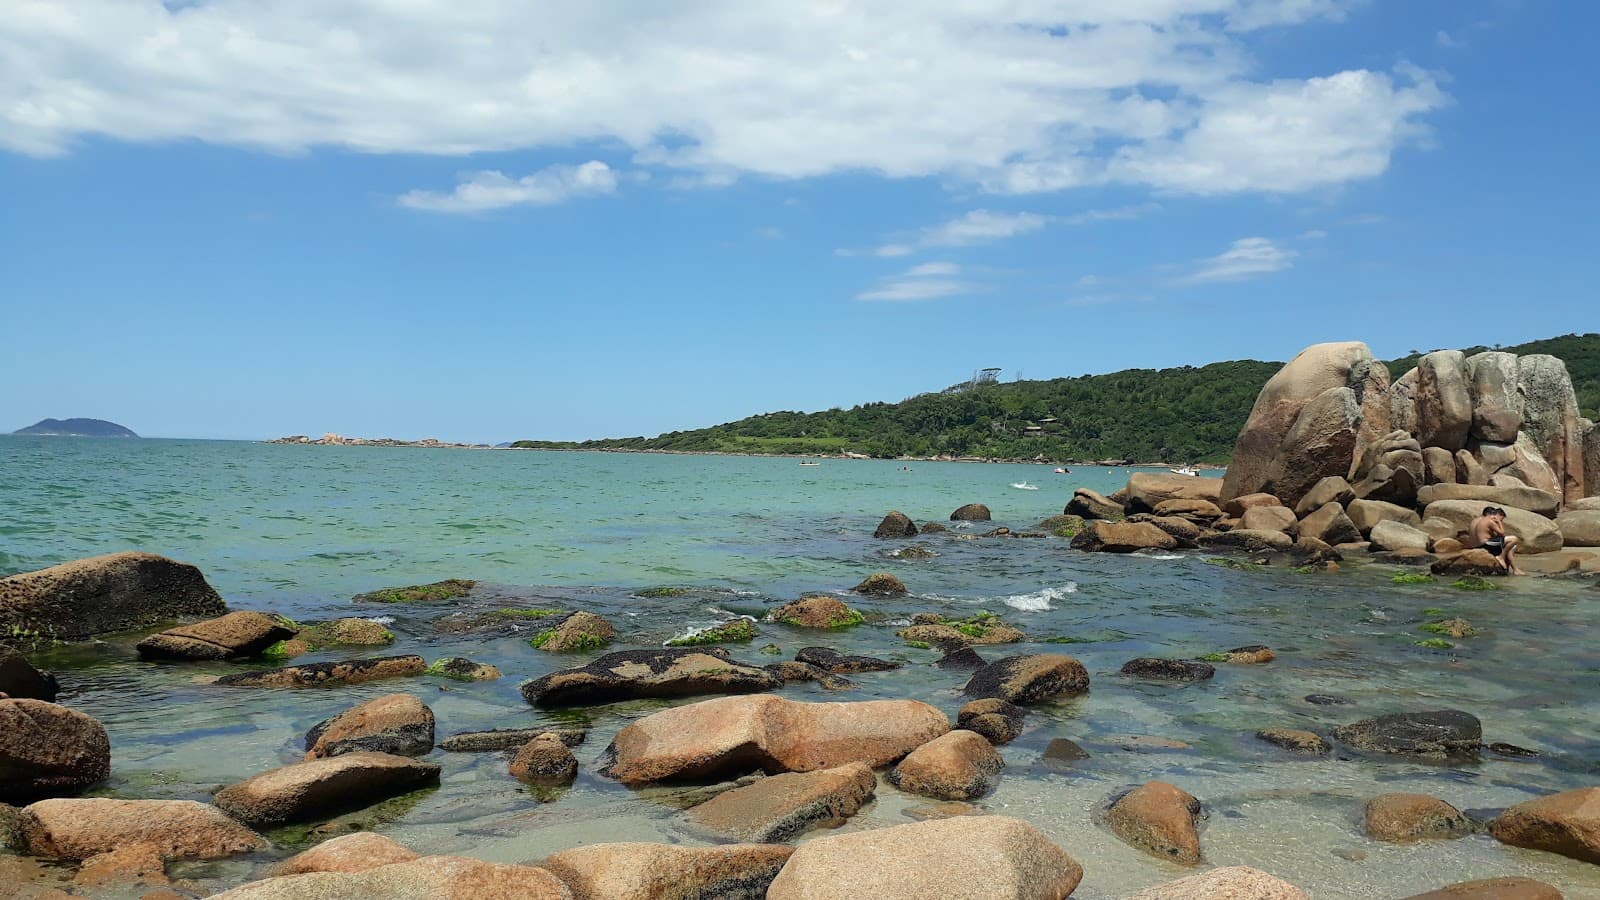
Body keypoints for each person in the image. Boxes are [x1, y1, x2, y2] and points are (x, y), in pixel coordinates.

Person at [1469, 506, 1523, 575]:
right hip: (1485, 544)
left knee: (1507, 544)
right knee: (1513, 543)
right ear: (1492, 514)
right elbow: (1502, 533)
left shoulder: (1475, 520)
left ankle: (1514, 569)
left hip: (1475, 545)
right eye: (1501, 519)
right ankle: (1507, 563)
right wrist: (1499, 522)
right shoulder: (1489, 521)